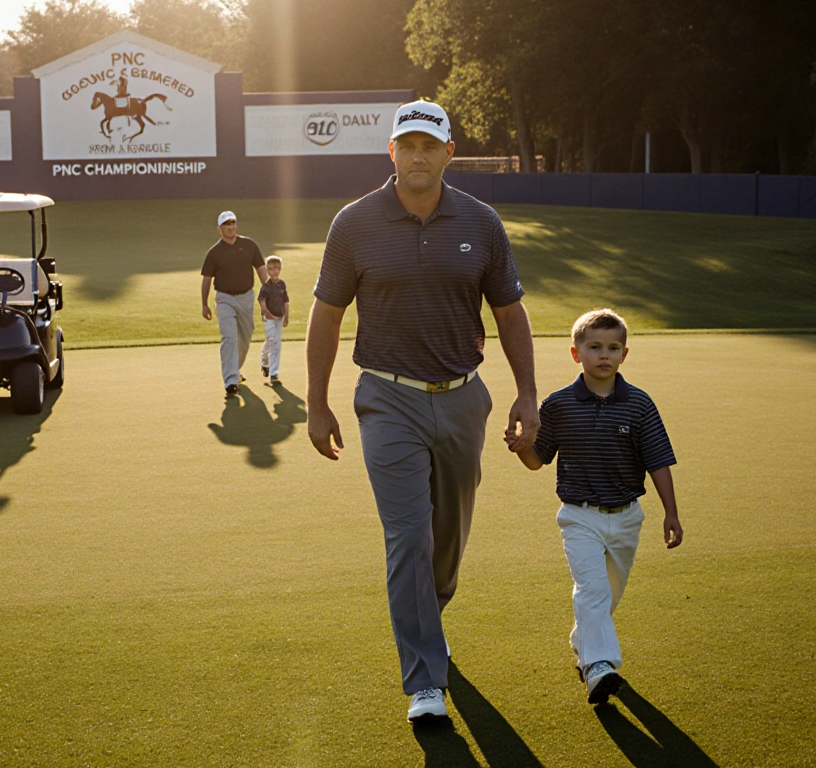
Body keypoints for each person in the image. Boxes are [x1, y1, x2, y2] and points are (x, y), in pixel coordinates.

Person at [305, 99, 540, 723]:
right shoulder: (354, 224)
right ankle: (424, 681)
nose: (417, 155)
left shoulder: (482, 222)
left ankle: (429, 608)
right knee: (407, 535)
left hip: (463, 396)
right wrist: (317, 401)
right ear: (391, 152)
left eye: (429, 145)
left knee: (447, 537)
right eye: (406, 145)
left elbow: (509, 312)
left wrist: (527, 392)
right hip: (387, 398)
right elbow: (326, 315)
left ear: (447, 154)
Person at [514, 308, 682, 705]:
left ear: (625, 354)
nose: (604, 355)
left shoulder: (639, 404)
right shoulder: (558, 405)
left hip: (626, 517)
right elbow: (539, 458)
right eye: (594, 347)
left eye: (613, 347)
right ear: (576, 354)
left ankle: (582, 641)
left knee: (607, 595)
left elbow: (657, 460)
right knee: (591, 591)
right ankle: (599, 666)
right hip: (579, 515)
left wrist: (671, 513)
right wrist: (521, 446)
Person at [202, 211, 269, 397]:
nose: (230, 227)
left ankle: (235, 369)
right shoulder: (214, 253)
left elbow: (261, 270)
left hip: (246, 297)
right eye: (226, 224)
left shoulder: (249, 245)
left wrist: (270, 291)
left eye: (232, 223)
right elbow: (207, 280)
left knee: (245, 338)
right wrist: (204, 304)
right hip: (224, 299)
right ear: (220, 228)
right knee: (229, 338)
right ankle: (230, 381)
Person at [258, 255, 290, 384]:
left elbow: (285, 300)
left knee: (273, 341)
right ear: (267, 271)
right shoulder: (266, 286)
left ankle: (265, 361)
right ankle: (274, 373)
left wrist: (286, 316)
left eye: (277, 268)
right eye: (271, 269)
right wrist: (268, 314)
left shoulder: (282, 284)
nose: (274, 271)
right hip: (269, 319)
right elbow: (261, 300)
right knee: (274, 341)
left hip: (279, 317)